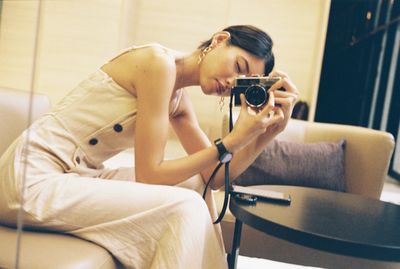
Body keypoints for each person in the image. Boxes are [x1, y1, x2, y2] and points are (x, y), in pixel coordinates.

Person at [0, 25, 298, 268]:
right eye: (238, 66)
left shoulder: (178, 101)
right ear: (219, 40)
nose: (233, 82)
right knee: (186, 206)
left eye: (244, 81)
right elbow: (150, 174)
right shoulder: (158, 63)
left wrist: (266, 134)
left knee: (193, 186)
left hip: (75, 176)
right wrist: (232, 140)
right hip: (30, 177)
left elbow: (213, 178)